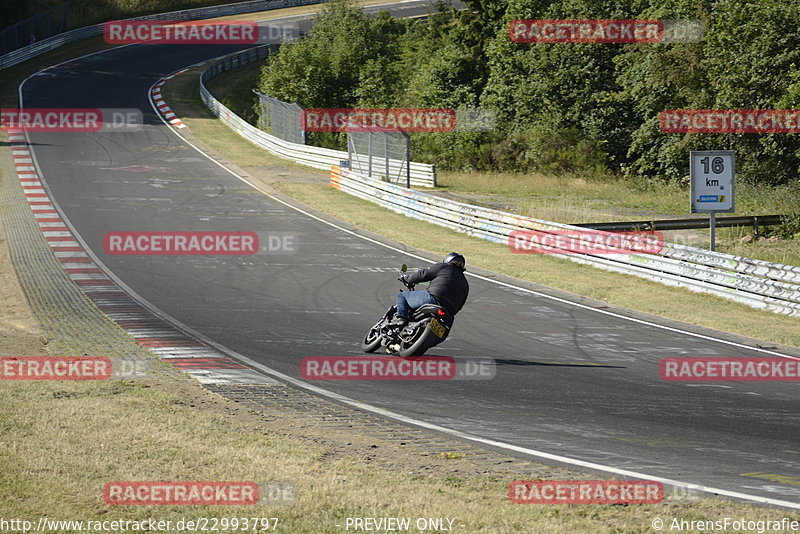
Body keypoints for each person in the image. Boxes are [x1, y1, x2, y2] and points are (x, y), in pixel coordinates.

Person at [390, 252, 469, 327]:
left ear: (447, 260)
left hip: (434, 298)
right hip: (449, 313)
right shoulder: (465, 284)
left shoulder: (444, 267)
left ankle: (400, 320)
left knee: (403, 296)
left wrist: (407, 279)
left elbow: (423, 274)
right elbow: (460, 306)